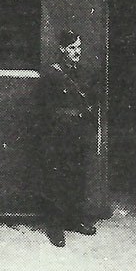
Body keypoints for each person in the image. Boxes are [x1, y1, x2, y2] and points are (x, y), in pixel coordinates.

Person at [41, 28, 98, 247]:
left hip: (78, 133)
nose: (77, 52)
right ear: (62, 49)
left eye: (79, 47)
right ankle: (55, 227)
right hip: (58, 136)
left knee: (77, 176)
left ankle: (75, 220)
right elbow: (44, 109)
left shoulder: (83, 73)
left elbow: (92, 98)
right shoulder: (52, 75)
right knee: (57, 180)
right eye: (73, 48)